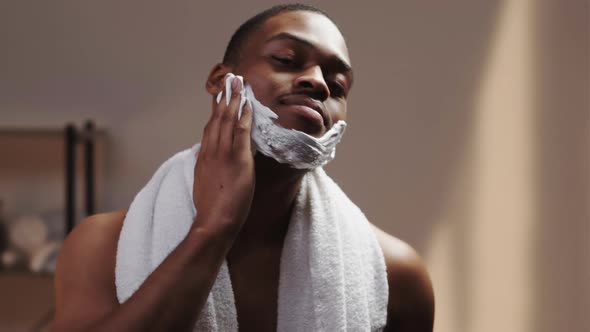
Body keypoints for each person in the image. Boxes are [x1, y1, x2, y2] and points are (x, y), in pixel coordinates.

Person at [52, 4, 434, 332]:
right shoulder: (101, 245)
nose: (318, 82)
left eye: (337, 85)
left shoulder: (396, 274)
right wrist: (211, 230)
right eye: (285, 60)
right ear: (221, 81)